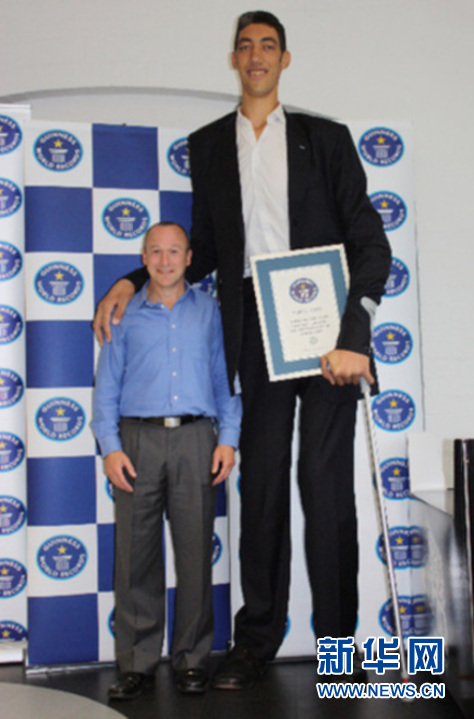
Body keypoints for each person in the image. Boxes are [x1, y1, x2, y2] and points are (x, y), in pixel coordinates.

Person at [93, 11, 391, 688]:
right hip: (254, 326)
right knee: (258, 486)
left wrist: (354, 335)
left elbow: (371, 243)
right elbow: (204, 250)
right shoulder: (207, 145)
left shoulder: (327, 138)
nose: (256, 55)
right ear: (234, 59)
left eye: (268, 45)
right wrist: (132, 279)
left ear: (285, 59)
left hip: (325, 331)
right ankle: (257, 639)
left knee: (323, 485)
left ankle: (338, 646)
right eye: (245, 46)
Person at [91, 221, 242, 699]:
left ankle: (192, 659)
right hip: (137, 442)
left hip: (197, 439)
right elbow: (106, 387)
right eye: (155, 251)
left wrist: (228, 438)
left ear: (189, 258)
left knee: (195, 554)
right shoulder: (124, 314)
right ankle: (136, 662)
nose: (164, 260)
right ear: (143, 257)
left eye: (174, 251)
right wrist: (111, 446)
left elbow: (224, 378)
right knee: (135, 556)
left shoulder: (210, 312)